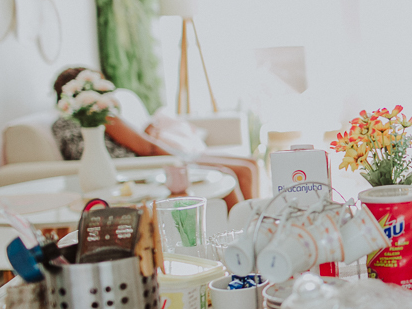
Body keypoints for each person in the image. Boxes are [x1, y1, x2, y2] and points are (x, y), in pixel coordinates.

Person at [52, 67, 259, 210]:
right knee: (239, 170)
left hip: (136, 168)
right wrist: (182, 159)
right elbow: (147, 148)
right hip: (147, 168)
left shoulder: (62, 123)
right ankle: (250, 235)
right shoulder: (99, 113)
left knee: (246, 166)